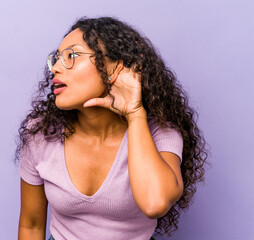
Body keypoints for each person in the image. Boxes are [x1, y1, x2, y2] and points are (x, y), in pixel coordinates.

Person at [15, 16, 208, 240]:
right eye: (56, 59)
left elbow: (155, 203)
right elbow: (31, 226)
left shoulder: (161, 132)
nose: (56, 68)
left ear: (115, 66)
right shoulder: (41, 133)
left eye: (72, 56)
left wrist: (135, 114)